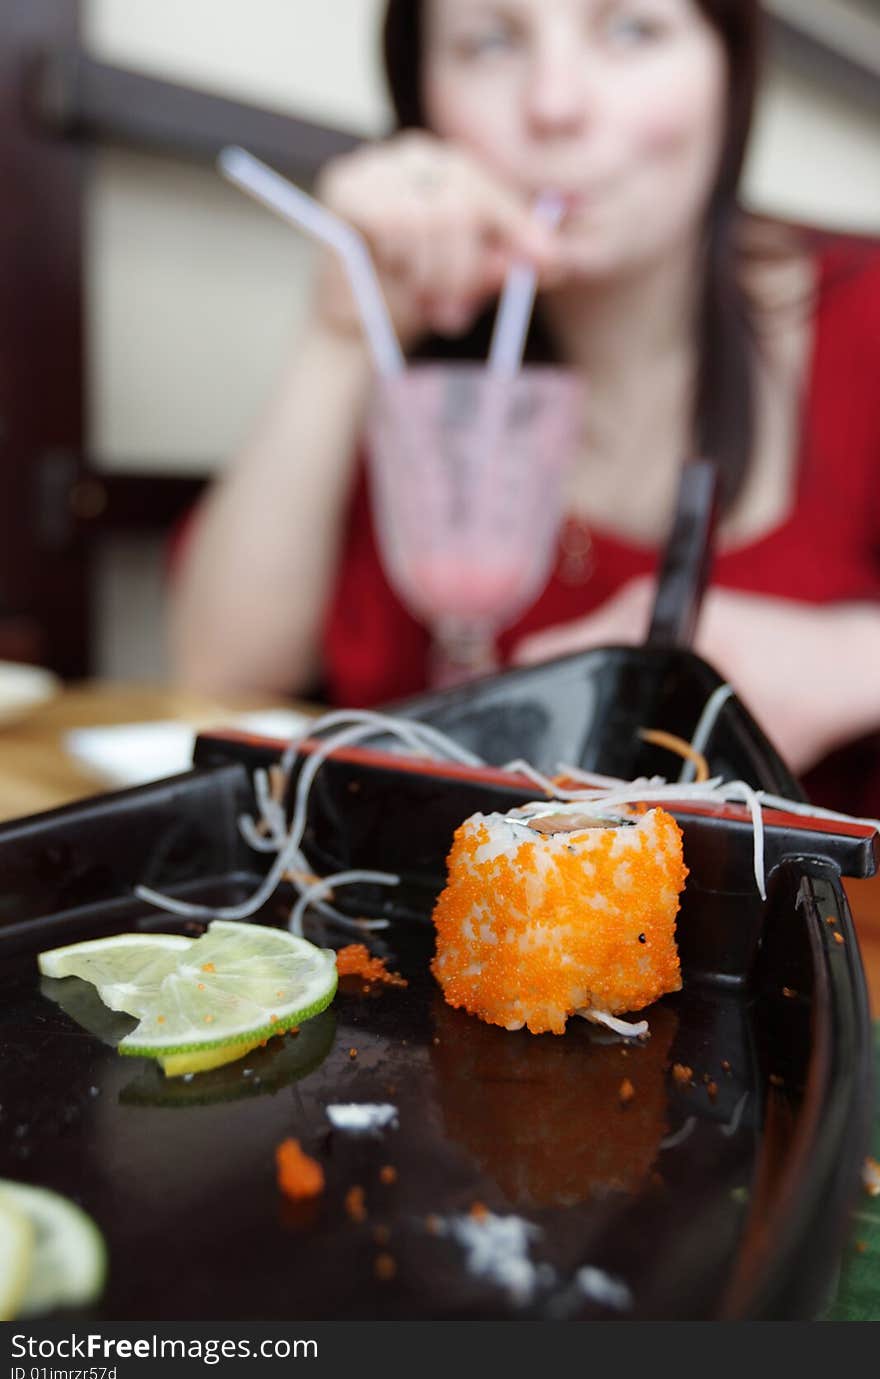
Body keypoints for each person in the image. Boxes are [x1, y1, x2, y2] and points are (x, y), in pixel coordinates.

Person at [169, 0, 880, 815]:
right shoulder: (419, 371)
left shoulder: (866, 318)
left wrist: (845, 656)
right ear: (420, 99)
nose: (554, 104)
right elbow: (216, 676)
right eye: (491, 40)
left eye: (631, 29)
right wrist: (341, 332)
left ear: (731, 69)